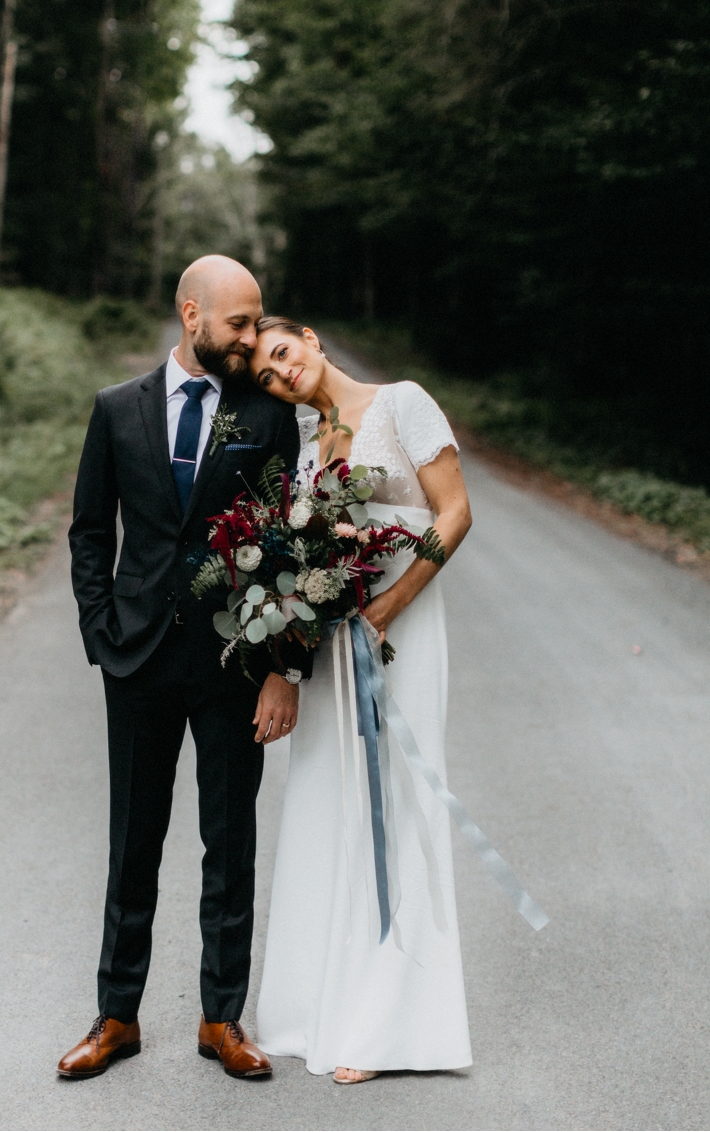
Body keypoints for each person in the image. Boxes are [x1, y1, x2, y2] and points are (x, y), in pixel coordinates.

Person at [60, 258, 309, 1081]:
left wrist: (283, 666)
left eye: (258, 321)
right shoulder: (115, 410)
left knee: (228, 841)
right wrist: (100, 632)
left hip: (234, 660)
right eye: (239, 323)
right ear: (191, 313)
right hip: (134, 659)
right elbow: (91, 530)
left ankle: (221, 1018)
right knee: (133, 842)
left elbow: (287, 548)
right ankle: (116, 1015)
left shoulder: (266, 416)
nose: (252, 337)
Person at [249, 317, 474, 1084]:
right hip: (335, 643)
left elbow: (455, 513)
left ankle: (391, 1026)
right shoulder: (310, 446)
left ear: (309, 340)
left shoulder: (402, 401)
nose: (281, 373)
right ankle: (324, 1006)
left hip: (397, 633)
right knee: (330, 798)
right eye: (267, 375)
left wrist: (389, 608)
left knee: (398, 801)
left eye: (282, 354)